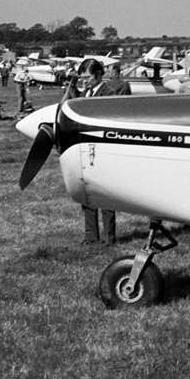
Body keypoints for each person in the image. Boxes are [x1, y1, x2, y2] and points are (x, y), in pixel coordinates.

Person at [70, 59, 120, 245]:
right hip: (86, 148)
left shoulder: (109, 94)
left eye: (88, 77)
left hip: (103, 149)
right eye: (82, 78)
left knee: (105, 194)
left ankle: (109, 237)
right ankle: (91, 236)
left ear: (99, 75)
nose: (85, 81)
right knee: (88, 192)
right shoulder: (85, 93)